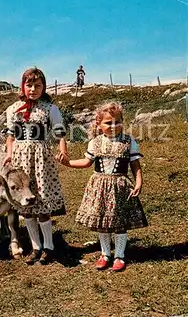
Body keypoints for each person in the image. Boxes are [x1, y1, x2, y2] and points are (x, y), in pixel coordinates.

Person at [60, 102, 147, 272]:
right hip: (99, 186)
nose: (114, 126)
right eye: (108, 122)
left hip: (119, 187)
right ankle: (105, 254)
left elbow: (135, 165)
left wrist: (138, 182)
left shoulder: (129, 142)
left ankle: (120, 255)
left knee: (119, 221)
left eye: (117, 121)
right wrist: (68, 163)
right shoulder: (95, 142)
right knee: (103, 223)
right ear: (99, 124)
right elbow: (86, 162)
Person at [3, 67, 68, 265]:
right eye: (29, 85)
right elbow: (10, 136)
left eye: (37, 85)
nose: (33, 89)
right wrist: (9, 154)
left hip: (41, 158)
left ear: (43, 87)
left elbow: (59, 133)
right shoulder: (13, 109)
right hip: (21, 159)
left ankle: (49, 246)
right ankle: (35, 247)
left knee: (43, 202)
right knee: (26, 206)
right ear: (23, 86)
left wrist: (63, 150)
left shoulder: (49, 109)